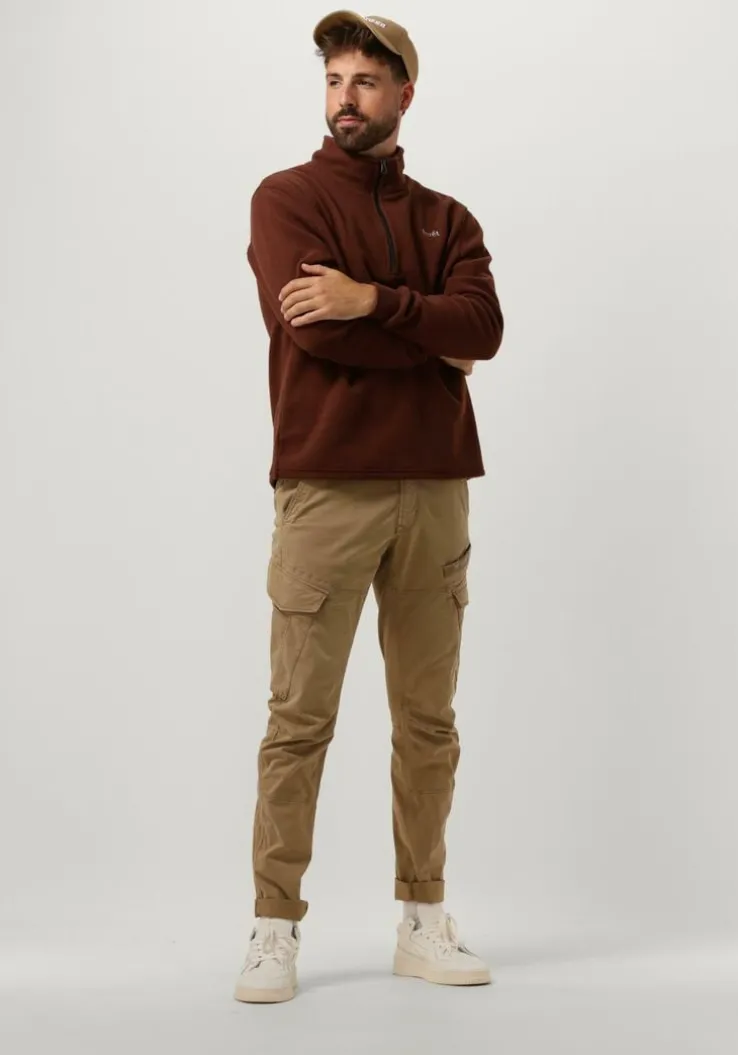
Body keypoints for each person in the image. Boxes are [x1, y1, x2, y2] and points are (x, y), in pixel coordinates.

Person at [234, 10, 504, 1004]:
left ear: (404, 95)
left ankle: (422, 919)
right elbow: (315, 332)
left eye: (366, 81)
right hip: (326, 487)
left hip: (435, 489)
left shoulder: (449, 218)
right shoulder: (287, 198)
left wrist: (372, 299)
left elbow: (485, 328)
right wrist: (430, 336)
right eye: (334, 79)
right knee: (298, 718)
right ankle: (274, 926)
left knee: (428, 720)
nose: (346, 97)